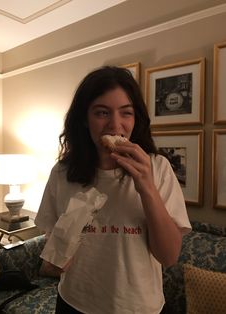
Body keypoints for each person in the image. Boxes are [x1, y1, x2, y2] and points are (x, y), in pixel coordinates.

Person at [35, 66, 191, 314]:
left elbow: (169, 256)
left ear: (135, 119)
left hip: (139, 306)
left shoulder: (158, 167)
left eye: (126, 113)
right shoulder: (62, 172)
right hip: (74, 303)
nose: (115, 125)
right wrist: (54, 258)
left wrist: (146, 187)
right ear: (85, 119)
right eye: (102, 113)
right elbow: (53, 242)